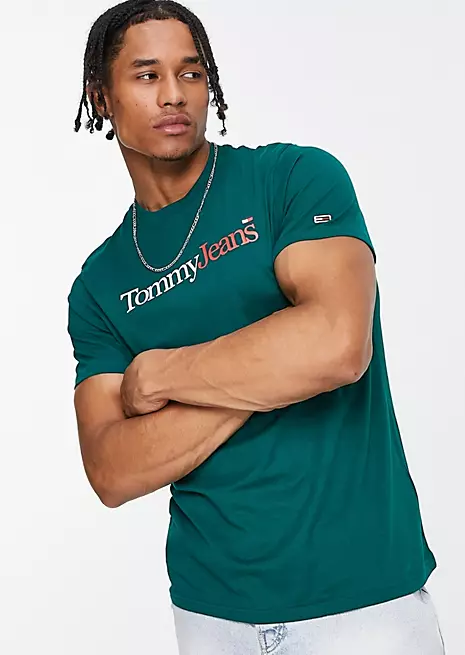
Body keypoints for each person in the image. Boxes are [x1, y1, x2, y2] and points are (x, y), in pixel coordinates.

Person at [67, 2, 445, 653]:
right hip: (211, 612)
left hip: (362, 603)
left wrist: (161, 375)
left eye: (191, 73)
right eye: (147, 75)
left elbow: (336, 345)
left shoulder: (292, 180)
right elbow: (112, 468)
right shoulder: (100, 284)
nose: (173, 94)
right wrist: (272, 355)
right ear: (101, 96)